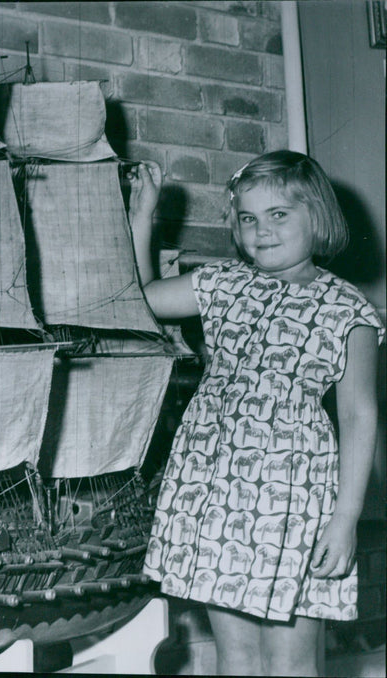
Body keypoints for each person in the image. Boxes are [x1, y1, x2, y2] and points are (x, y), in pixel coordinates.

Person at [127, 150, 384, 676]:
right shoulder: (223, 283)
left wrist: (346, 517)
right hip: (215, 488)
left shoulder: (347, 307)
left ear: (318, 216)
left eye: (279, 215)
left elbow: (359, 414)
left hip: (295, 495)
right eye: (248, 218)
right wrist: (142, 218)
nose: (261, 231)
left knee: (290, 662)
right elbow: (145, 299)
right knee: (236, 657)